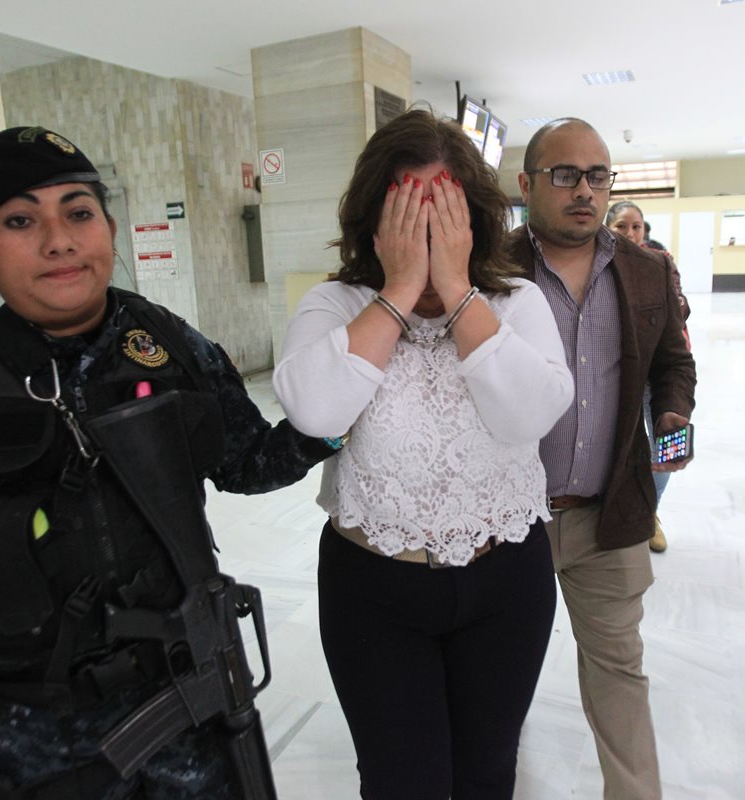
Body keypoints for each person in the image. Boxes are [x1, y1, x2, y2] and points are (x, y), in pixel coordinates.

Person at [0, 127, 341, 799]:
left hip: (193, 711)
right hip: (34, 743)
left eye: (79, 212)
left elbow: (247, 464)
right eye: (20, 220)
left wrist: (332, 420)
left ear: (109, 229)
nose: (59, 240)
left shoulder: (168, 343)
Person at [272, 109, 573, 800]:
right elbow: (316, 411)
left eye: (446, 219)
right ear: (377, 223)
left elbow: (528, 415)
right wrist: (401, 290)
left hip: (505, 581)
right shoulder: (334, 303)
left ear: (476, 221)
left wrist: (460, 292)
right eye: (412, 219)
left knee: (487, 773)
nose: (430, 241)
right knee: (400, 781)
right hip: (373, 589)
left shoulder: (517, 302)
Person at [512, 118, 696, 800]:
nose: (584, 191)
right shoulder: (489, 267)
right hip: (507, 520)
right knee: (497, 675)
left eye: (597, 175)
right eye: (565, 175)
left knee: (619, 670)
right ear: (527, 184)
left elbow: (674, 363)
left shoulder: (646, 271)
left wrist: (672, 411)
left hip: (608, 515)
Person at [605, 200, 691, 552]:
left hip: (663, 371)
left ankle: (650, 512)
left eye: (636, 226)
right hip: (622, 371)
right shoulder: (597, 267)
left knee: (668, 446)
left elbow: (681, 309)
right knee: (623, 443)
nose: (630, 233)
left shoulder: (660, 263)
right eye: (621, 226)